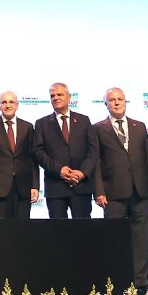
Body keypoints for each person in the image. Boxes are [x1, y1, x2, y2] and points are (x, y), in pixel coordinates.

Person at [94, 87, 148, 293]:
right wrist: (99, 191)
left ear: (125, 102)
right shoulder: (97, 128)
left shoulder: (139, 126)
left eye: (120, 99)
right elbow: (95, 162)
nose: (116, 103)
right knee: (115, 240)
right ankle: (117, 284)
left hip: (140, 191)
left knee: (141, 239)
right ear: (105, 104)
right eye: (112, 100)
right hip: (112, 193)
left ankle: (142, 283)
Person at [33, 82, 97, 218]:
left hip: (82, 187)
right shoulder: (41, 123)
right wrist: (59, 170)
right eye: (52, 96)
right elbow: (38, 152)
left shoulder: (83, 120)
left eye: (60, 94)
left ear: (69, 97)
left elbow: (93, 151)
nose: (56, 98)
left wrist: (82, 172)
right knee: (58, 233)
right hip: (56, 187)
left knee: (84, 232)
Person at [0, 91, 38, 221]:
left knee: (23, 231)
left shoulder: (27, 127)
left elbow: (32, 159)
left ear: (17, 105)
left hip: (23, 187)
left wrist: (35, 185)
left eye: (11, 102)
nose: (8, 105)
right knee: (0, 232)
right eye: (4, 102)